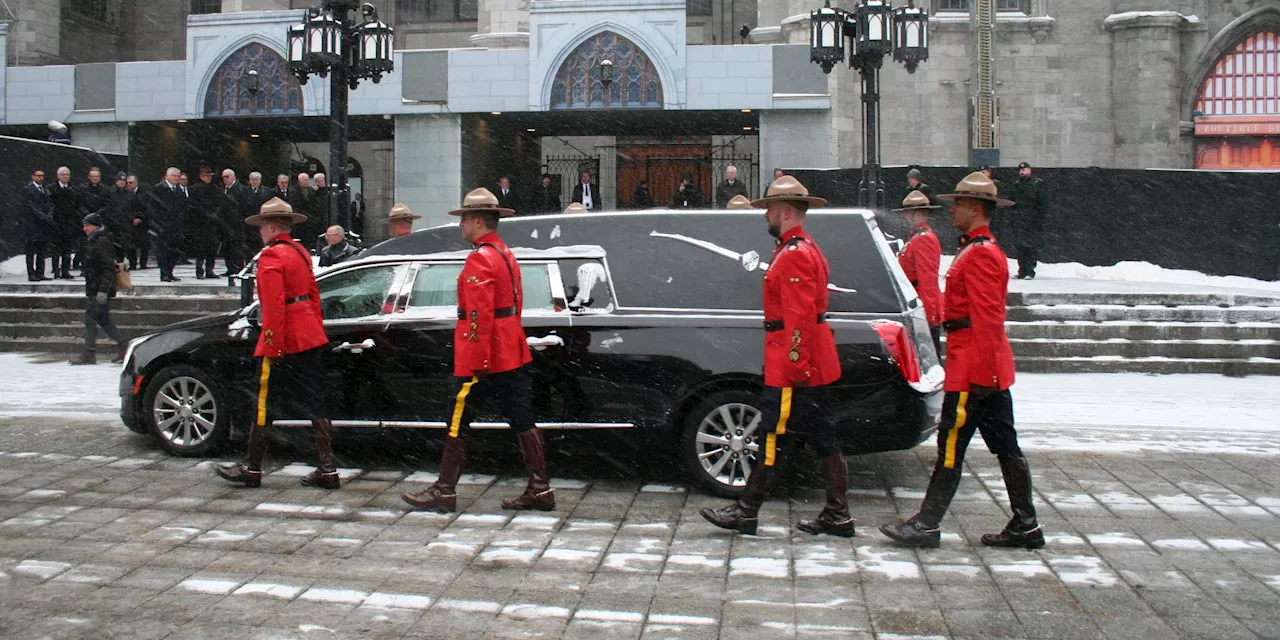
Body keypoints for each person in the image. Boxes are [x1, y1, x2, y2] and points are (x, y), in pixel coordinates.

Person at [879, 172, 1043, 550]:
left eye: (958, 204)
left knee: (951, 444)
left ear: (975, 208)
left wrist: (980, 376)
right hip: (983, 366)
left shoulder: (982, 253)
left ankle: (927, 524)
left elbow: (987, 320)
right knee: (1005, 446)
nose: (952, 210)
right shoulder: (977, 248)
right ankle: (1025, 522)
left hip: (975, 368)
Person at [700, 176, 851, 538]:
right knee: (820, 435)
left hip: (794, 361)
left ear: (784, 212)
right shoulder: (799, 247)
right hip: (806, 359)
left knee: (772, 432)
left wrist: (793, 364)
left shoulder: (796, 254)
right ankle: (837, 514)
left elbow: (798, 317)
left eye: (768, 209)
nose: (765, 215)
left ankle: (747, 509)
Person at [401, 188, 554, 513]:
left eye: (465, 219)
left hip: (485, 353)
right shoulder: (504, 253)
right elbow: (514, 303)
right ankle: (540, 488)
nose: (461, 226)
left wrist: (475, 360)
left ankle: (444, 491)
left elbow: (477, 315)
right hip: (509, 348)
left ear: (479, 221)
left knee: (457, 418)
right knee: (522, 418)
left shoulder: (480, 258)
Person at [216, 198, 339, 490]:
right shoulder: (300, 252)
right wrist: (314, 327)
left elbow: (272, 308)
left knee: (263, 403)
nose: (259, 232)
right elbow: (313, 295)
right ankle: (328, 468)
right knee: (316, 402)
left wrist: (271, 344)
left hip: (285, 337)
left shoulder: (271, 256)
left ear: (271, 227)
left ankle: (252, 466)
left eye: (261, 227)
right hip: (309, 333)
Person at [68, 213, 127, 366]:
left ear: (95, 226)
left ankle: (89, 353)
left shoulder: (101, 241)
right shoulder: (96, 240)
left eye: (86, 225)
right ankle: (124, 346)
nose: (84, 228)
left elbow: (108, 268)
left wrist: (103, 290)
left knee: (90, 319)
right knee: (104, 320)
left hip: (98, 288)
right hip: (96, 287)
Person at [894, 191, 944, 353]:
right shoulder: (917, 237)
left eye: (907, 212)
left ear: (917, 213)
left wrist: (928, 318)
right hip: (918, 306)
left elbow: (927, 281)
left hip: (923, 309)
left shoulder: (923, 239)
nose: (905, 217)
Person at [1008, 162, 1048, 280]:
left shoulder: (1036, 184)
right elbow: (1012, 203)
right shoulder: (1015, 185)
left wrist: (1039, 220)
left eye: (1024, 170)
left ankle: (1030, 271)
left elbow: (1042, 204)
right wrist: (1013, 219)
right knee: (1020, 247)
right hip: (1019, 220)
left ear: (1030, 171)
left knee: (1031, 246)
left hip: (1032, 220)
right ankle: (1022, 270)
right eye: (1020, 170)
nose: (1022, 172)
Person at [147, 168, 187, 282]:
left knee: (174, 251)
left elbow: (183, 207)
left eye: (177, 176)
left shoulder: (179, 190)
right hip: (163, 227)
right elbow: (152, 208)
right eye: (174, 176)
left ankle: (170, 272)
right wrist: (157, 224)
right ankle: (164, 273)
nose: (176, 178)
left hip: (176, 227)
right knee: (163, 251)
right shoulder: (159, 189)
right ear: (167, 176)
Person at [188, 167, 225, 279]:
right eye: (206, 175)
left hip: (212, 223)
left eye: (210, 176)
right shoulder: (194, 189)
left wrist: (216, 214)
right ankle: (199, 270)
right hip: (200, 223)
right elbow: (194, 206)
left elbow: (219, 203)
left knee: (211, 248)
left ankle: (210, 269)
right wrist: (206, 214)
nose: (208, 178)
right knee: (200, 249)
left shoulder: (214, 189)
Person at [20, 169, 54, 281]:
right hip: (32, 225)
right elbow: (29, 206)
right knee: (31, 251)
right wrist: (41, 215)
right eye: (38, 176)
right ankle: (31, 273)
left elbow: (50, 204)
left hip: (43, 226)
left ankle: (40, 272)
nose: (41, 178)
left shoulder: (46, 190)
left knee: (42, 251)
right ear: (33, 177)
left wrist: (49, 214)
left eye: (42, 176)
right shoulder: (28, 189)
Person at [49, 166, 82, 279]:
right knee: (56, 249)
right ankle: (56, 270)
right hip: (56, 223)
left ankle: (65, 270)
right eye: (63, 174)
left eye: (67, 174)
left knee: (67, 249)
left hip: (69, 223)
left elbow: (77, 206)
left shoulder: (73, 189)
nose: (66, 176)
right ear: (58, 176)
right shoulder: (51, 189)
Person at [124, 175, 149, 270]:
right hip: (130, 223)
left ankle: (143, 264)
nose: (129, 185)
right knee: (131, 245)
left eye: (131, 182)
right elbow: (125, 209)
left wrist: (140, 218)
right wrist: (132, 218)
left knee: (144, 245)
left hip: (142, 224)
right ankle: (133, 264)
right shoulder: (126, 194)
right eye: (127, 183)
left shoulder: (144, 193)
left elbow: (147, 208)